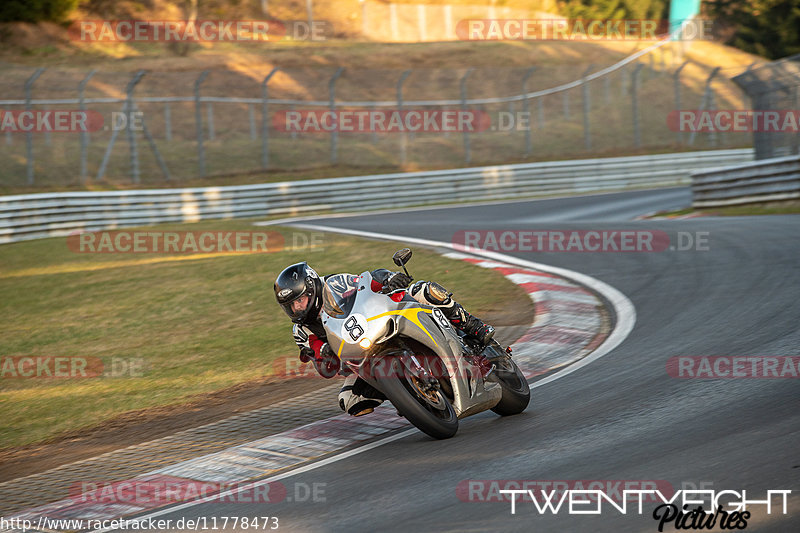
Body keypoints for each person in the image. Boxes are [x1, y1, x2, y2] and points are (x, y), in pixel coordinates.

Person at [274, 262, 495, 417]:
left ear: (312, 288)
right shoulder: (301, 331)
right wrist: (324, 355)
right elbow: (324, 369)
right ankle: (407, 393)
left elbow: (367, 281)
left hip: (383, 319)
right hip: (362, 356)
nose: (296, 308)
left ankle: (473, 326)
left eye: (300, 300)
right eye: (291, 305)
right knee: (350, 401)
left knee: (425, 290)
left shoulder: (335, 284)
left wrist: (389, 279)